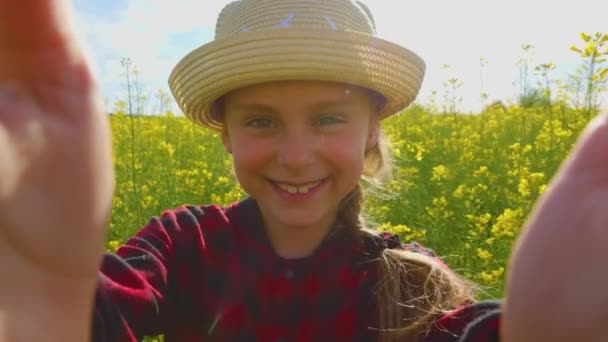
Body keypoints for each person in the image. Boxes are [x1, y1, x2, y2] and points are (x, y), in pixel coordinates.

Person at [1, 0, 607, 341]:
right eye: (262, 121)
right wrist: (43, 311)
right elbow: (103, 306)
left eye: (327, 120)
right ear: (226, 135)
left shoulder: (406, 278)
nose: (295, 155)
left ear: (372, 131)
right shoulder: (186, 244)